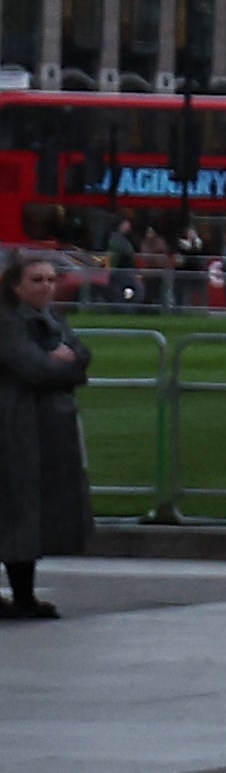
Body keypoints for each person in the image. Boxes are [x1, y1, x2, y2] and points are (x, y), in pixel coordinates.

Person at [0, 250, 86, 616]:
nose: (47, 286)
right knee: (12, 509)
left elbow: (82, 355)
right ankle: (21, 597)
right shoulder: (6, 323)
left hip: (40, 429)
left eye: (51, 279)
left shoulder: (53, 318)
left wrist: (67, 364)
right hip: (11, 427)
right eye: (37, 280)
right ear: (16, 286)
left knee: (28, 513)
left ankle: (24, 597)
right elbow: (34, 368)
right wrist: (64, 364)